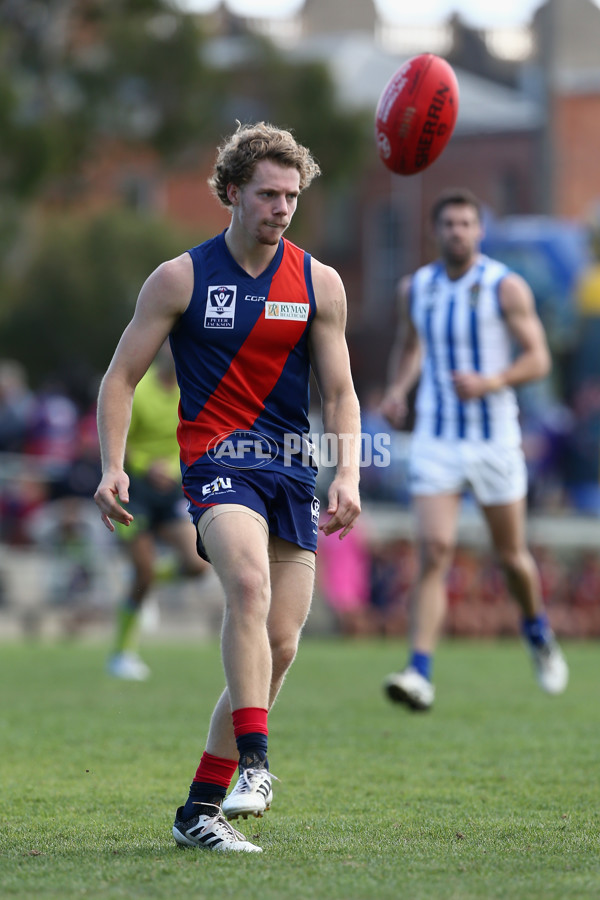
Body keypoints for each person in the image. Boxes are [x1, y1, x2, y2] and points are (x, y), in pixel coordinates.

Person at [94, 121, 361, 853]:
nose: (281, 207)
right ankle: (258, 764)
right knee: (247, 585)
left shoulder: (318, 283)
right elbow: (120, 377)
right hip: (216, 463)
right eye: (268, 194)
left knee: (279, 645)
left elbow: (340, 394)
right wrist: (112, 463)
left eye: (292, 195)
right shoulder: (180, 277)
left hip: (290, 471)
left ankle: (198, 811)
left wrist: (348, 470)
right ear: (232, 192)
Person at [379, 187, 568, 712]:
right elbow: (412, 345)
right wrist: (398, 389)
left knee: (511, 557)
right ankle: (419, 671)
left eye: (467, 224)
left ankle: (537, 630)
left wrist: (492, 381)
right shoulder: (415, 288)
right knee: (434, 550)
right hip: (437, 437)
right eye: (449, 224)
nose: (457, 232)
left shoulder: (504, 286)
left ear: (480, 231)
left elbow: (539, 359)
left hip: (494, 439)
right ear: (435, 231)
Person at [106, 342, 210, 681]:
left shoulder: (194, 391)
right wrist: (146, 465)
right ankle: (122, 654)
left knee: (197, 564)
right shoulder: (141, 389)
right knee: (144, 571)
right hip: (133, 488)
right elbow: (121, 439)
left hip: (171, 489)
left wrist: (172, 469)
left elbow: (199, 442)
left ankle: (145, 577)